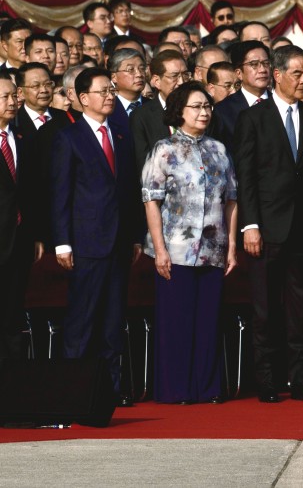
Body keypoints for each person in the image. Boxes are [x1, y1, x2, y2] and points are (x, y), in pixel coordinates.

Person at [233, 47, 303, 403]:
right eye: (298, 74)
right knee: (264, 309)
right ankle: (267, 380)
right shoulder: (253, 118)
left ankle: (301, 380)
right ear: (277, 75)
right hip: (266, 228)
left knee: (299, 307)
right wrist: (250, 225)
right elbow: (245, 176)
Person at [51, 67, 143, 407]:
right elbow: (60, 193)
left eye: (111, 91)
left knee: (113, 321)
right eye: (102, 91)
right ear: (82, 98)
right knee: (82, 321)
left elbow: (129, 190)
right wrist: (63, 241)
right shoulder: (68, 138)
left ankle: (111, 389)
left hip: (119, 242)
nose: (109, 96)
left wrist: (134, 236)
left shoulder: (120, 133)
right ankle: (74, 391)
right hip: (86, 243)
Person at [141, 82, 237, 404]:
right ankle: (175, 389)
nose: (204, 112)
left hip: (213, 248)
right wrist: (160, 249)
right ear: (179, 111)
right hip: (175, 249)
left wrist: (232, 246)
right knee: (176, 322)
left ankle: (206, 388)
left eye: (207, 106)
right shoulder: (164, 149)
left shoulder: (219, 150)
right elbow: (151, 200)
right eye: (196, 106)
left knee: (208, 322)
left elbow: (231, 200)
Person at [0, 73, 37, 360]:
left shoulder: (23, 135)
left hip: (19, 241)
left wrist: (35, 235)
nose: (12, 102)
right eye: (4, 97)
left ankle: (11, 385)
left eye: (14, 96)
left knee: (13, 314)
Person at [130, 50, 188, 175]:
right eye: (174, 76)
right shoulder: (141, 116)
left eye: (185, 75)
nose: (182, 82)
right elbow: (144, 164)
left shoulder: (201, 110)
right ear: (156, 81)